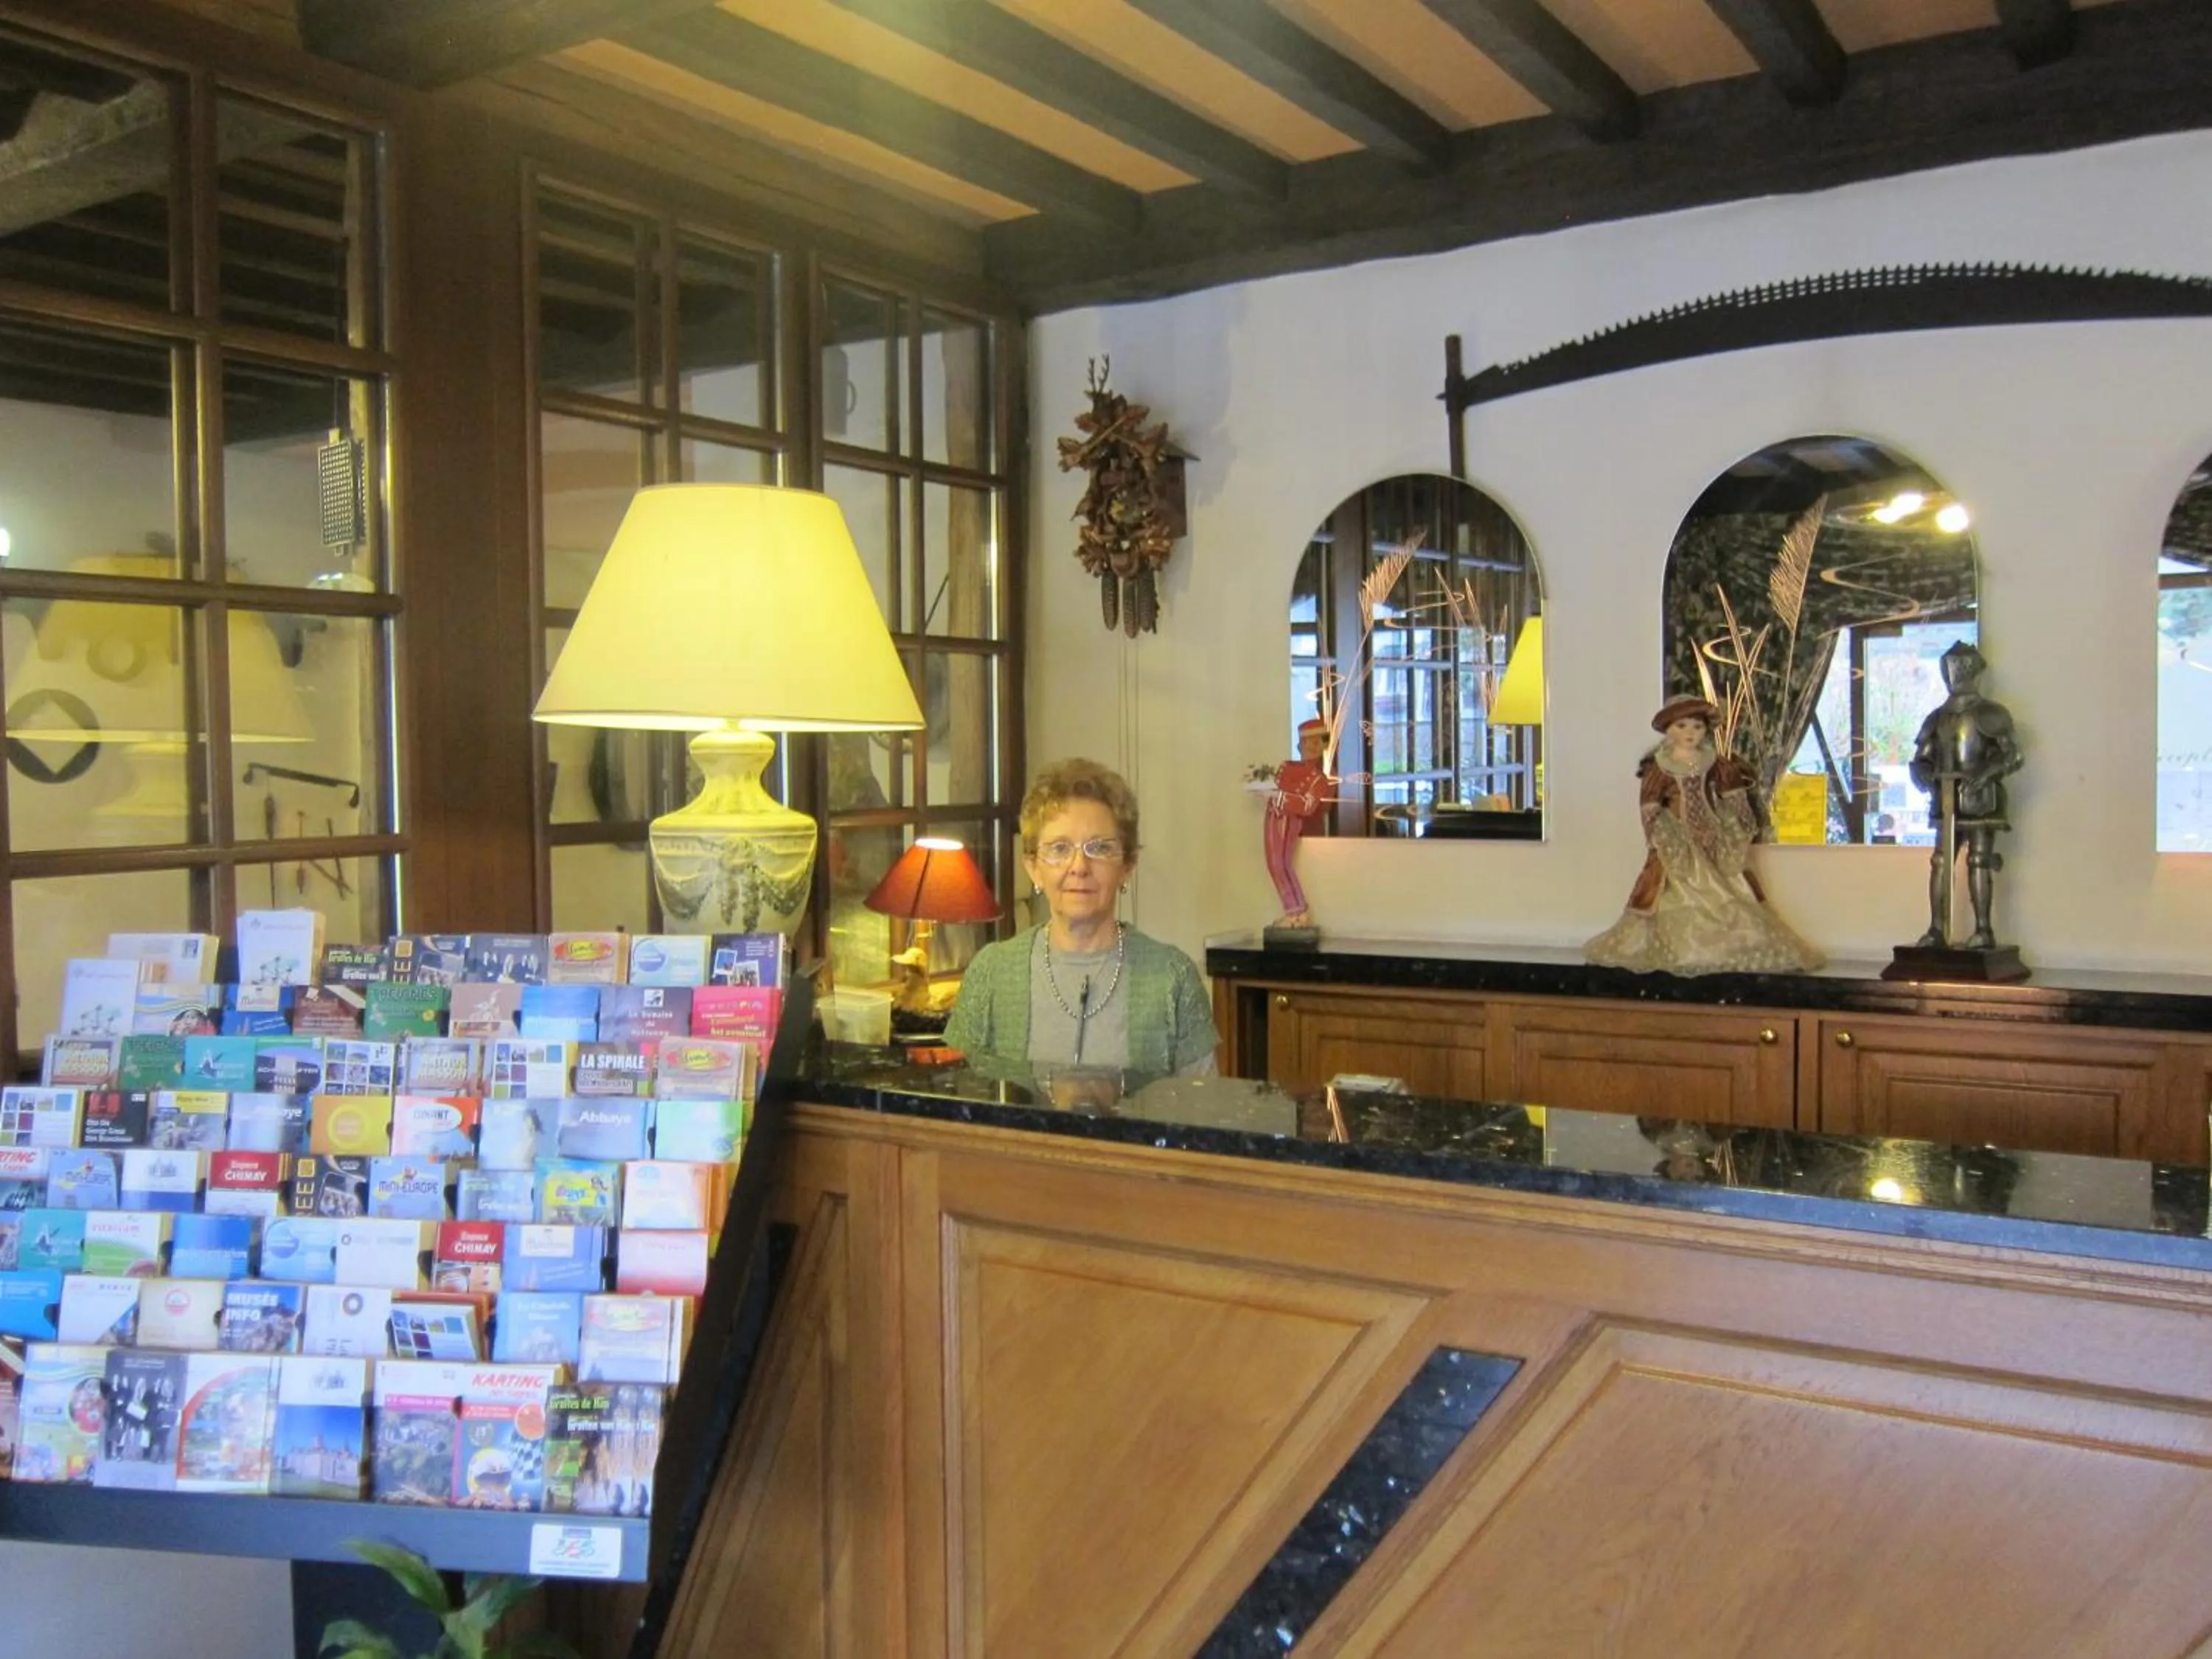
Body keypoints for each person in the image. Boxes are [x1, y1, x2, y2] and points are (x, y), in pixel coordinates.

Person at [946, 758, 1219, 1074]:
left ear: (1127, 866)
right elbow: (959, 1095)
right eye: (1059, 849)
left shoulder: (1173, 978)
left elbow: (1200, 1102)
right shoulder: (991, 973)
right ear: (1033, 868)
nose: (1079, 867)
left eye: (1099, 848)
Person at [1585, 695, 1822, 975]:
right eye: (1682, 726)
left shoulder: (1717, 764)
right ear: (1669, 730)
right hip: (1678, 842)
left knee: (1732, 892)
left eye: (1697, 727)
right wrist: (1662, 835)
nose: (1690, 733)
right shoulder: (1659, 768)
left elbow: (1735, 798)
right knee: (1672, 894)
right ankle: (1681, 952)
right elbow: (1650, 807)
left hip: (1714, 839)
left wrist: (1735, 824)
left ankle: (1730, 951)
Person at [1910, 640, 2023, 950]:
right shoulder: (1936, 718)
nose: (1954, 674)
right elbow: (1922, 758)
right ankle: (1937, 929)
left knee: (1979, 860)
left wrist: (1984, 775)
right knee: (1940, 862)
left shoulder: (1991, 713)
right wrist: (1922, 773)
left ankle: (1984, 930)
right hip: (1945, 798)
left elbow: (2012, 756)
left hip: (1980, 797)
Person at [1265, 718, 1335, 929]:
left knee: (1281, 864)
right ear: (1300, 745)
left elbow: (1307, 806)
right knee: (1274, 864)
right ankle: (1295, 911)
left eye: (1317, 741)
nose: (1311, 746)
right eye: (1307, 742)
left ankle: (1297, 910)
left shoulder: (1320, 779)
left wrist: (1280, 798)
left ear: (1324, 745)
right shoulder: (1287, 766)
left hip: (1289, 820)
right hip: (1273, 817)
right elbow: (1275, 786)